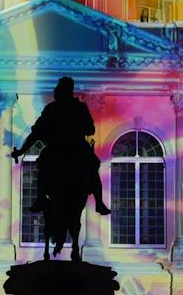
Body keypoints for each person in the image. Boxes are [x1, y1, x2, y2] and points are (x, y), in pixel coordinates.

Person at [10, 77, 111, 216]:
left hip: (66, 148)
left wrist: (22, 150)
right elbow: (37, 132)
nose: (55, 92)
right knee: (88, 167)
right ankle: (98, 203)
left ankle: (41, 199)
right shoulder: (59, 108)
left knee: (90, 166)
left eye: (58, 90)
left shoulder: (66, 108)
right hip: (70, 148)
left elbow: (37, 133)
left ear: (65, 91)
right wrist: (22, 150)